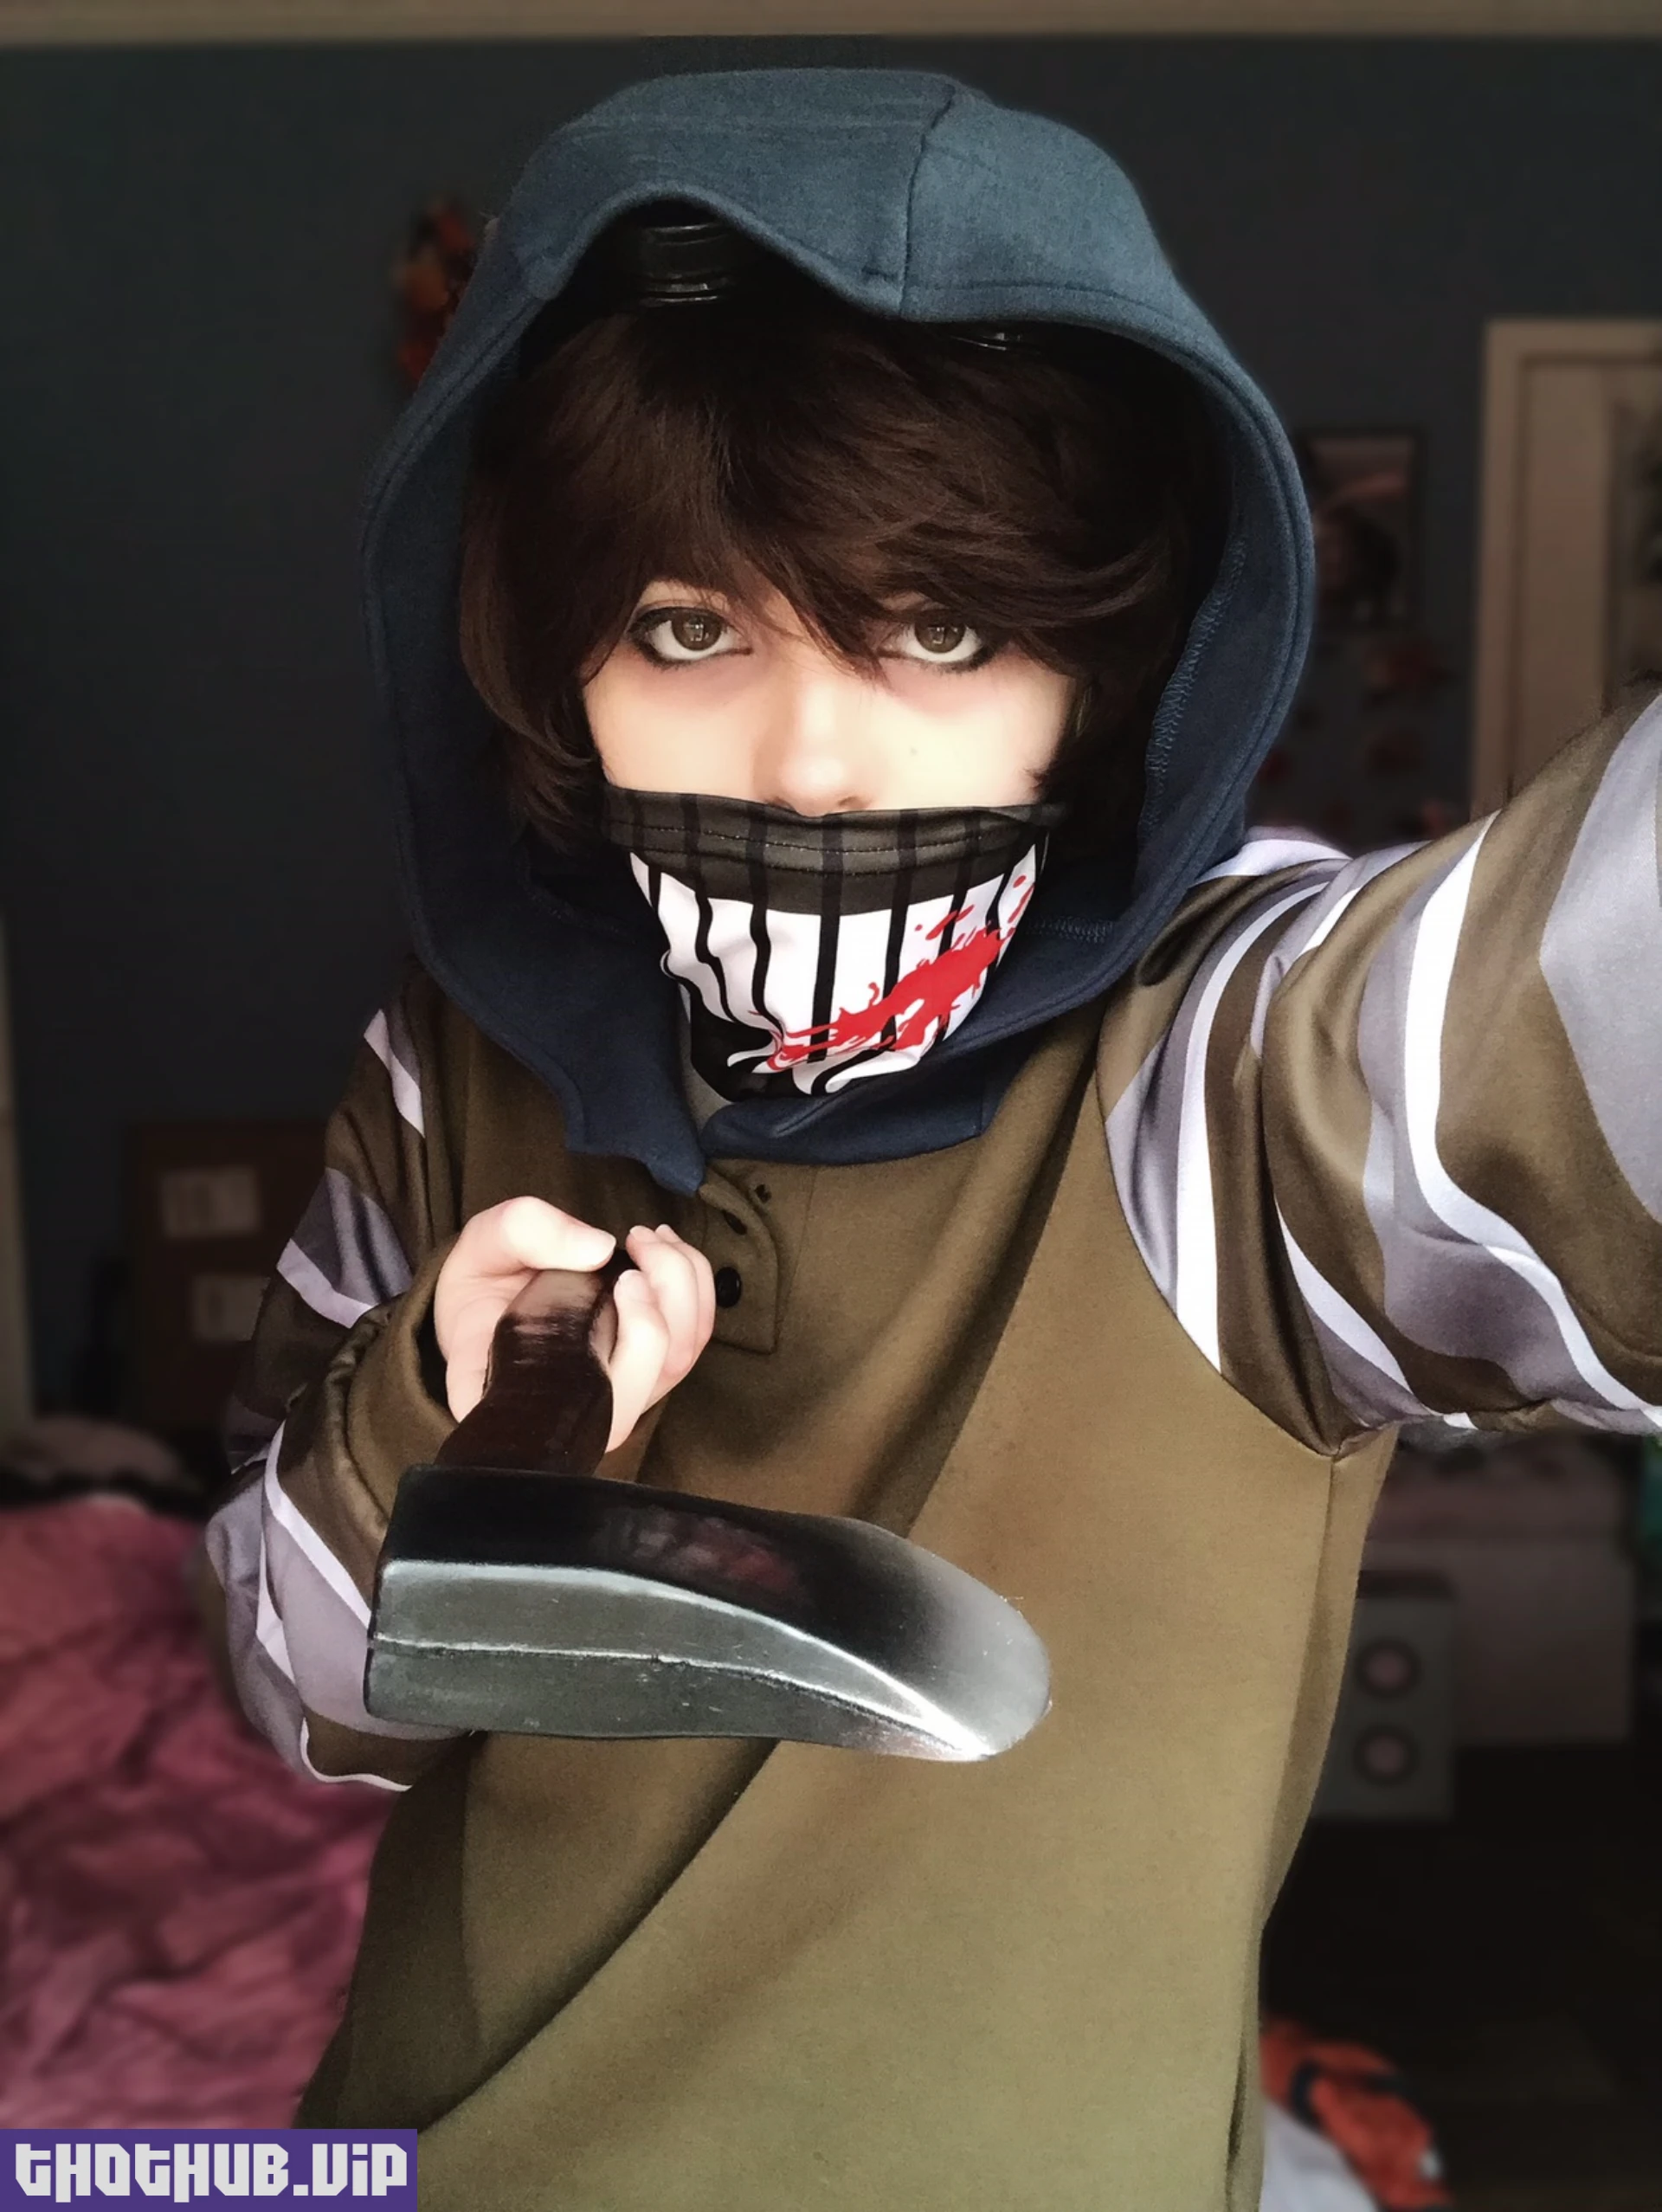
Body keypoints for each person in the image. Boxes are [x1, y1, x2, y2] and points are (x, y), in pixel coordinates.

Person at [199, 65, 1662, 2212]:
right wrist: (432, 1411)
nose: (813, 759)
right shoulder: (450, 1068)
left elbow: (1572, 1025)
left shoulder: (1219, 1086)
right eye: (689, 627)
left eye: (943, 628)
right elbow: (281, 1687)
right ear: (548, 654)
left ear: (1101, 675)